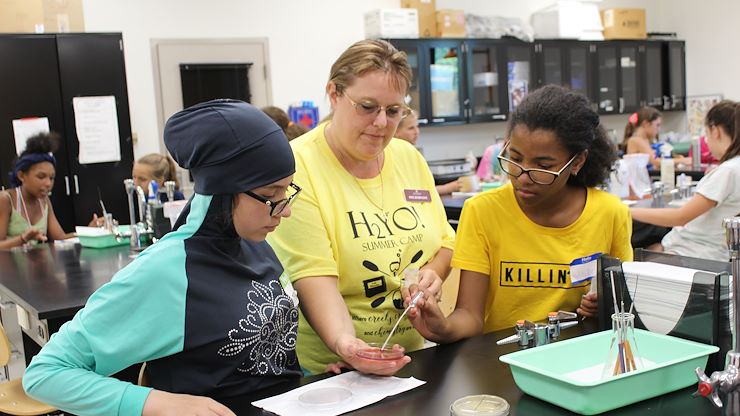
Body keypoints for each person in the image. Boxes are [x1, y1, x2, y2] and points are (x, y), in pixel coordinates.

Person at [23, 100, 303, 415]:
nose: (285, 209)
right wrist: (154, 402)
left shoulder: (257, 243)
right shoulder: (169, 271)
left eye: (287, 192)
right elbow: (46, 373)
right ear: (225, 190)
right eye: (269, 196)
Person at [268, 39, 455, 375]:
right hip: (332, 368)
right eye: (367, 107)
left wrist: (432, 276)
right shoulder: (298, 165)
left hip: (412, 357)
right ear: (335, 94)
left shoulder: (409, 159)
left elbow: (445, 243)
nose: (382, 123)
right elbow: (312, 277)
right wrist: (347, 344)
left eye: (394, 111)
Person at [405, 85, 633, 342]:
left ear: (577, 162)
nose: (523, 176)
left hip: (579, 359)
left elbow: (625, 308)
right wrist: (442, 328)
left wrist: (602, 306)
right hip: (502, 363)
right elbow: (469, 315)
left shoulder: (610, 214)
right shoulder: (482, 211)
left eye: (543, 166)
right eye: (515, 158)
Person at [630, 100, 740, 261]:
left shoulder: (728, 171)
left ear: (715, 131)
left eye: (707, 134)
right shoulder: (733, 167)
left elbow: (680, 217)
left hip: (693, 252)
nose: (707, 141)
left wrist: (626, 210)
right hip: (692, 246)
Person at [0, 132, 75, 249]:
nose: (48, 183)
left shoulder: (44, 201)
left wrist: (90, 232)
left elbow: (60, 238)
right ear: (21, 176)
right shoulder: (5, 199)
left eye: (51, 178)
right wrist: (23, 238)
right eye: (41, 176)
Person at [395, 110, 462, 195]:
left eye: (417, 126)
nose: (416, 132)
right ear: (396, 131)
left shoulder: (412, 153)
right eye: (411, 128)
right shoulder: (397, 156)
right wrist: (449, 188)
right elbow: (415, 193)